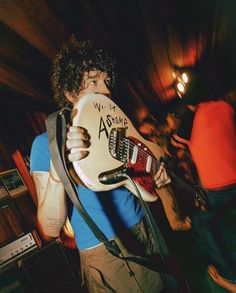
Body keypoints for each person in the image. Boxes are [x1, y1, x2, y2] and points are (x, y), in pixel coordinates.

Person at [30, 36, 191, 293]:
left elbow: (145, 167)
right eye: (93, 81)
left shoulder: (119, 128)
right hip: (105, 249)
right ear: (71, 92)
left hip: (144, 226)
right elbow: (50, 228)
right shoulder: (45, 144)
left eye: (106, 81)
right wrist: (58, 170)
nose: (105, 90)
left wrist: (155, 176)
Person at [171, 72, 236, 292]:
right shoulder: (225, 107)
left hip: (217, 190)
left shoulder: (190, 119)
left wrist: (180, 121)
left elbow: (174, 144)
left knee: (202, 222)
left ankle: (229, 276)